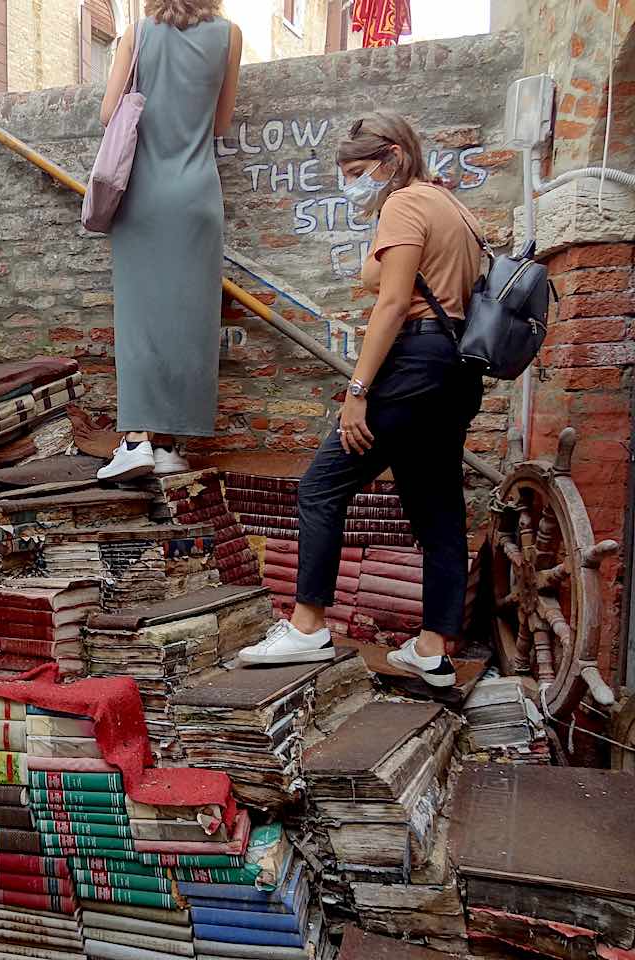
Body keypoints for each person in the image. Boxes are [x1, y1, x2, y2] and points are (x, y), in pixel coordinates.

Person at [237, 112, 485, 689]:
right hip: (456, 371)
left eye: (357, 170)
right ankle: (431, 648)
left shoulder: (403, 205)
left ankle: (307, 625)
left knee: (321, 486)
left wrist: (357, 391)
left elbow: (394, 303)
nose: (352, 183)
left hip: (414, 365)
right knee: (439, 511)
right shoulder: (457, 209)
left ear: (393, 156)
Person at [94, 0, 242, 482]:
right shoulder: (230, 35)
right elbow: (220, 124)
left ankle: (135, 439)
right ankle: (169, 445)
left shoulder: (137, 35)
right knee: (190, 319)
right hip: (197, 195)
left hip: (144, 192)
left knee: (140, 318)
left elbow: (107, 112)